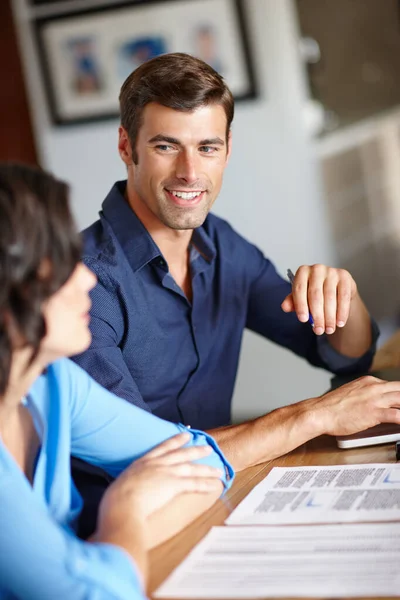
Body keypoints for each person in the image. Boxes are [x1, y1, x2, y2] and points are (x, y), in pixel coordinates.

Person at [74, 52, 400, 476]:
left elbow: (344, 356)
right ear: (126, 146)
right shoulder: (80, 282)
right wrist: (315, 415)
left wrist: (344, 298)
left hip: (221, 487)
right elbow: (146, 462)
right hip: (126, 520)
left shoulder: (217, 241)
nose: (190, 173)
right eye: (166, 146)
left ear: (227, 150)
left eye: (207, 147)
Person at [0, 163, 233, 600]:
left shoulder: (53, 384)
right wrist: (123, 509)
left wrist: (91, 564)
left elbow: (206, 465)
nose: (87, 276)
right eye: (61, 262)